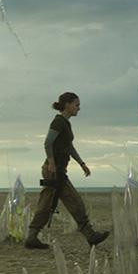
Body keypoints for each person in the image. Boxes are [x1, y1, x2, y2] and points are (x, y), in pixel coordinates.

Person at [25, 92, 110, 250]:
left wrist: (81, 163)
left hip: (58, 170)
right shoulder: (59, 122)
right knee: (73, 201)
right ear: (67, 105)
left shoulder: (66, 123)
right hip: (53, 170)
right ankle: (90, 235)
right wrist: (52, 162)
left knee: (47, 204)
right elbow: (47, 142)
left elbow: (69, 146)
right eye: (76, 105)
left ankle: (32, 237)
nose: (79, 108)